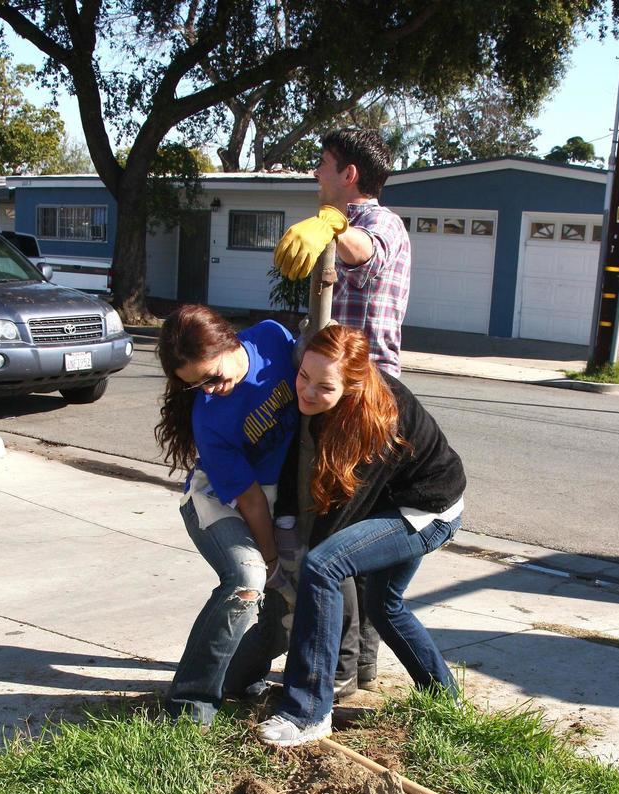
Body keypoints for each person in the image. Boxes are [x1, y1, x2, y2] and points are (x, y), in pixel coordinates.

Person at [258, 324, 466, 748]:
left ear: (353, 386)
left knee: (323, 565)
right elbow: (296, 461)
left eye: (325, 386)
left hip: (428, 509)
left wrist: (300, 570)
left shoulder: (376, 421)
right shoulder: (320, 400)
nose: (308, 391)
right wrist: (284, 520)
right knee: (384, 606)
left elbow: (342, 520)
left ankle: (309, 713)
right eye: (304, 376)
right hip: (397, 501)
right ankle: (446, 697)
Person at [275, 127, 412, 692]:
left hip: (360, 396)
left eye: (323, 163)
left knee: (338, 529)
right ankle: (353, 666)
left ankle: (345, 671)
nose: (316, 174)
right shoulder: (345, 223)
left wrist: (335, 222)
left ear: (349, 172)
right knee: (335, 525)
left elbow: (367, 253)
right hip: (339, 389)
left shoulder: (378, 223)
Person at [155, 304, 298, 724]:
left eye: (212, 376)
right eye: (195, 385)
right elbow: (250, 499)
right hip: (217, 502)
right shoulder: (210, 417)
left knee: (288, 607)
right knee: (248, 580)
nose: (209, 389)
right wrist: (272, 559)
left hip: (278, 498)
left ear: (229, 342)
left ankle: (238, 678)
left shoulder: (272, 338)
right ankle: (189, 705)